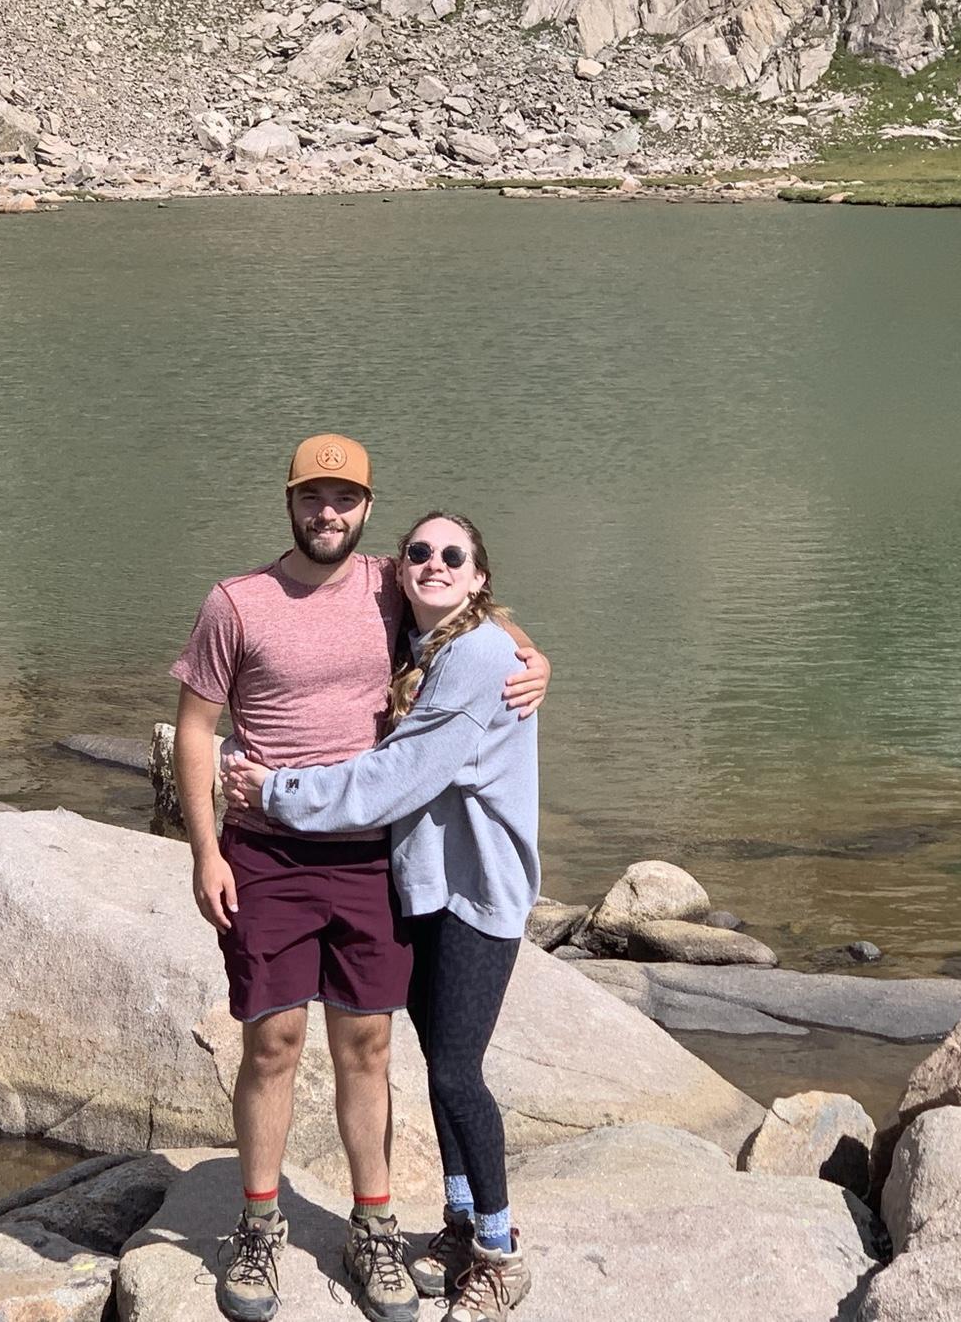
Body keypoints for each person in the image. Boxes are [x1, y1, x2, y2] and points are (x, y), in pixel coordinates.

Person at [172, 437, 549, 1322]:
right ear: (290, 501)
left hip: (373, 854)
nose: (327, 513)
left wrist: (538, 662)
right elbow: (194, 727)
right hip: (265, 848)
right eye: (313, 497)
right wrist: (204, 849)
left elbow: (486, 623)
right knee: (271, 1044)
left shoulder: (392, 579)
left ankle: (373, 1225)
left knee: (369, 1047)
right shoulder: (238, 601)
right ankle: (259, 1226)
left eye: (344, 499)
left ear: (367, 507)